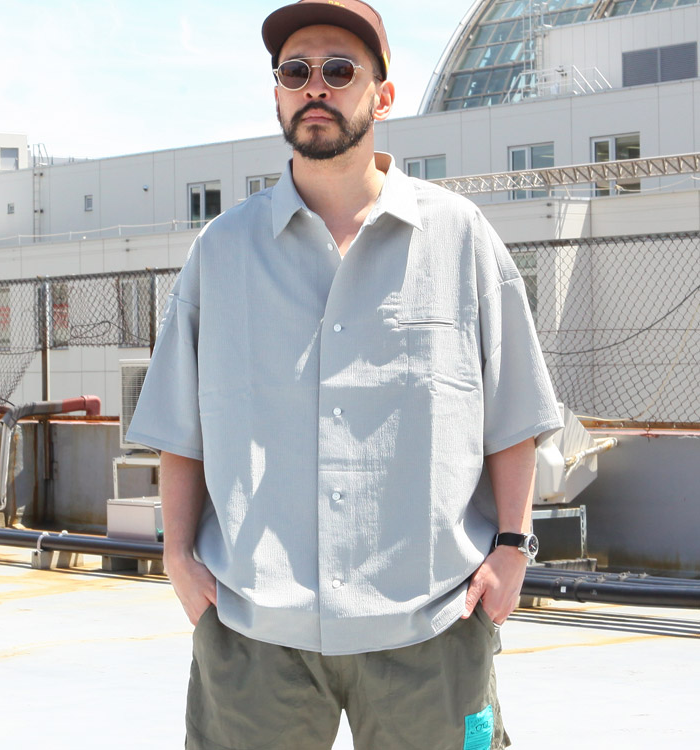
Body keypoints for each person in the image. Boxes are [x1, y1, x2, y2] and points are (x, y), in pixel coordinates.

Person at [128, 1, 563, 748]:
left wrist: (513, 548)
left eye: (339, 69)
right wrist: (176, 557)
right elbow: (179, 425)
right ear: (276, 93)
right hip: (254, 627)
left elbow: (514, 412)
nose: (315, 87)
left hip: (431, 623)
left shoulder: (460, 239)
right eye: (295, 71)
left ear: (382, 96)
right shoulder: (220, 253)